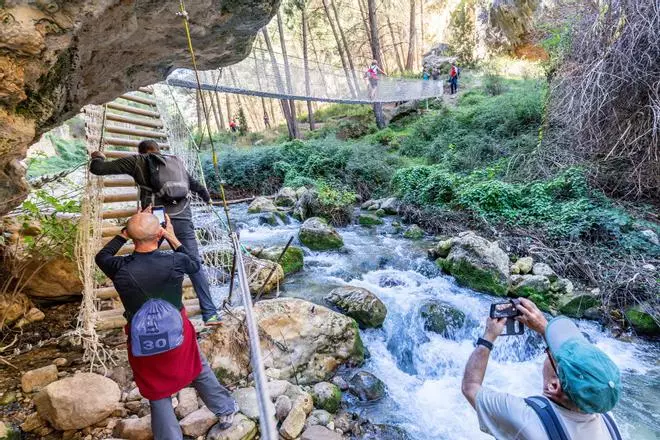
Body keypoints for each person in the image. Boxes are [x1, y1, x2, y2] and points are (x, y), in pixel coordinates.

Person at [95, 212, 238, 439]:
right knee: (197, 367)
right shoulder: (175, 260)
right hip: (178, 330)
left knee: (156, 389)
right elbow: (193, 263)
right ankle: (226, 410)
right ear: (159, 234)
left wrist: (125, 233)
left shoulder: (118, 266)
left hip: (142, 338)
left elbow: (102, 255)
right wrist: (171, 237)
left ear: (130, 237)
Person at [89, 140, 222, 325]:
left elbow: (99, 169)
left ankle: (151, 311)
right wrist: (208, 201)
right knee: (194, 262)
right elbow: (197, 186)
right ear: (159, 151)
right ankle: (210, 313)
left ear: (141, 151)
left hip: (155, 220)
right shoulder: (175, 162)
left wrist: (97, 157)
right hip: (182, 216)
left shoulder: (137, 161)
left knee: (145, 259)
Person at [462, 297, 622, 440]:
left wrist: (488, 337)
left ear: (554, 386)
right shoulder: (608, 421)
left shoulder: (526, 419)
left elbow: (470, 387)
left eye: (551, 354)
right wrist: (544, 327)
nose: (550, 351)